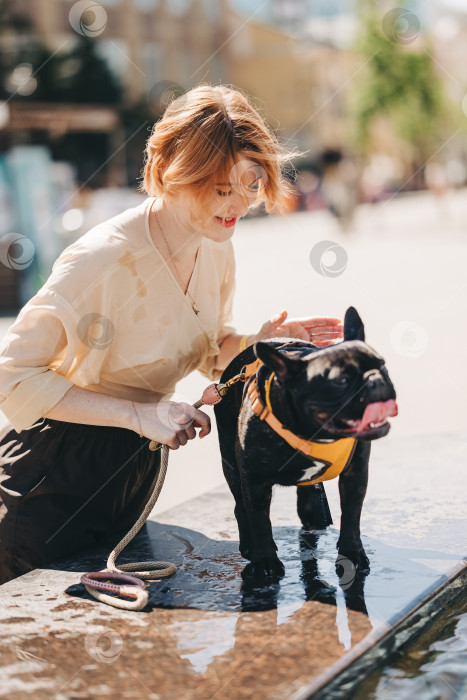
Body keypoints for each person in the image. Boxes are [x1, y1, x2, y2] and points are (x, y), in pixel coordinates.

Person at [0, 84, 343, 584]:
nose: (237, 205)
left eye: (249, 185)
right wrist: (138, 414)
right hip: (51, 474)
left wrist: (258, 345)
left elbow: (210, 349)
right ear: (170, 173)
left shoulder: (216, 244)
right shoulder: (102, 258)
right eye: (219, 189)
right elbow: (12, 374)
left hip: (133, 470)